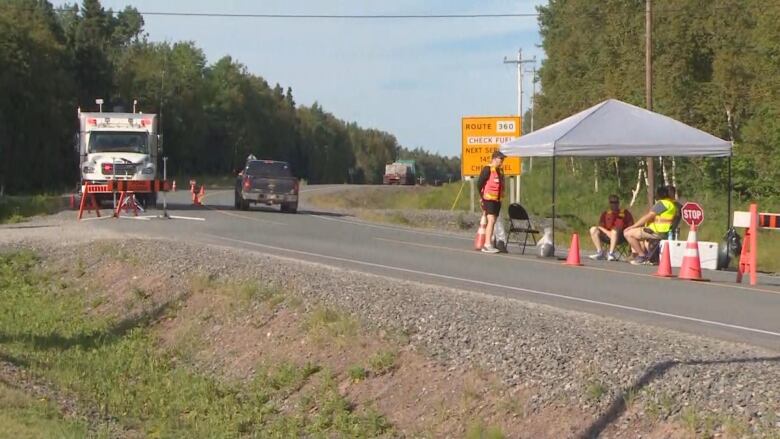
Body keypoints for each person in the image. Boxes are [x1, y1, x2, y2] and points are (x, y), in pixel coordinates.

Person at [623, 186, 679, 265]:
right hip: (664, 232)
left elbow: (648, 216)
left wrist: (633, 226)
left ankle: (641, 256)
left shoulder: (662, 203)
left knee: (628, 233)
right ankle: (641, 255)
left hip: (656, 232)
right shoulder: (671, 205)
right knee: (638, 235)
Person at [588, 194, 634, 261]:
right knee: (593, 229)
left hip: (620, 237)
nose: (614, 204)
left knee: (614, 231)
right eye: (612, 202)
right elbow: (600, 226)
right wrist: (608, 232)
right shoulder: (605, 213)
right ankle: (600, 252)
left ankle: (611, 253)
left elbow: (631, 226)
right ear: (609, 203)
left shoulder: (625, 213)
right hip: (606, 235)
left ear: (618, 203)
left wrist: (616, 232)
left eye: (616, 202)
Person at [477, 151, 506, 253]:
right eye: (500, 159)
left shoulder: (500, 171)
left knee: (493, 222)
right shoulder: (487, 169)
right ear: (494, 159)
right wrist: (482, 197)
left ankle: (490, 242)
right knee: (491, 220)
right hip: (488, 199)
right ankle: (487, 244)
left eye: (503, 159)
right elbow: (480, 183)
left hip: (497, 200)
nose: (502, 161)